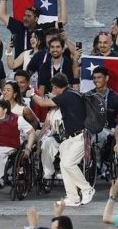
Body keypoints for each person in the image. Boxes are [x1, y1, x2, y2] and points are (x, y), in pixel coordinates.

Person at [30, 74, 94, 207]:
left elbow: (42, 103)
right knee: (65, 166)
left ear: (55, 86)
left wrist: (32, 94)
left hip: (80, 136)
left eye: (53, 87)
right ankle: (73, 198)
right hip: (70, 138)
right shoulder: (71, 94)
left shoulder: (67, 96)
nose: (52, 90)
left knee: (68, 164)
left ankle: (87, 189)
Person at [0, 99, 34, 187]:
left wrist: (28, 148)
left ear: (5, 110)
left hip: (9, 145)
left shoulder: (17, 118)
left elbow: (31, 132)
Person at [0, 0, 68, 57]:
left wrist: (62, 0)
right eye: (25, 15)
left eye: (29, 16)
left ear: (36, 19)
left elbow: (63, 21)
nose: (25, 18)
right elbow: (2, 15)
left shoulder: (44, 28)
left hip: (38, 66)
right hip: (20, 67)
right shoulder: (18, 27)